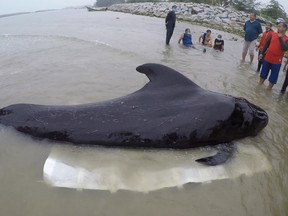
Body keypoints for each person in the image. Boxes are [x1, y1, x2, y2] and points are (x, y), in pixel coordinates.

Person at [259, 22, 288, 90]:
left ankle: (268, 91)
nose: (278, 28)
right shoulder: (273, 34)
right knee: (263, 75)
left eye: (280, 26)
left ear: (284, 28)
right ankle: (258, 89)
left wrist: (280, 37)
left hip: (276, 62)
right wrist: (261, 53)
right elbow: (266, 44)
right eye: (278, 26)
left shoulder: (286, 39)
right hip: (267, 59)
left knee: (272, 79)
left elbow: (285, 48)